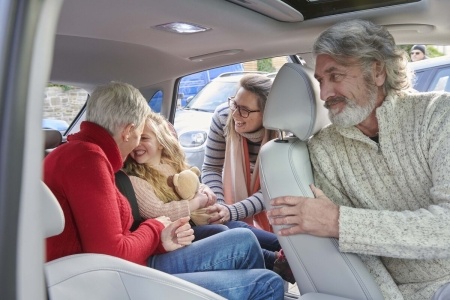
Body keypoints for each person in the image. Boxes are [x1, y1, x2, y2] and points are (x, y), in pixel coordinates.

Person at [44, 81, 284, 300]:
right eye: (138, 133)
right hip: (111, 281)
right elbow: (113, 255)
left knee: (242, 238)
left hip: (118, 269)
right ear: (128, 131)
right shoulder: (88, 161)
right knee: (268, 284)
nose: (137, 141)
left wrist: (160, 238)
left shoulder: (79, 154)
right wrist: (156, 227)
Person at [267, 19, 450, 300]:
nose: (325, 94)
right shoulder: (323, 150)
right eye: (320, 81)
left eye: (336, 76)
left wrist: (340, 222)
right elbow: (359, 256)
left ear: (376, 71)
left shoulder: (438, 114)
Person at [123, 111, 293, 282]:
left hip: (196, 220)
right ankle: (277, 263)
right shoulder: (135, 180)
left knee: (238, 225)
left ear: (160, 142)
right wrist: (196, 202)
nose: (137, 144)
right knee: (225, 231)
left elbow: (192, 182)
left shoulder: (171, 165)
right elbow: (158, 212)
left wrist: (205, 190)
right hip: (180, 231)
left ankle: (291, 252)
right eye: (135, 139)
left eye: (144, 138)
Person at [201, 74, 294, 283]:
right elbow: (211, 168)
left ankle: (281, 268)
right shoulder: (224, 117)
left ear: (267, 114)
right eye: (234, 103)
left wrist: (231, 212)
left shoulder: (285, 135)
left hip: (272, 205)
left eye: (244, 110)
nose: (235, 113)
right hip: (230, 201)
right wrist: (220, 206)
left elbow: (272, 192)